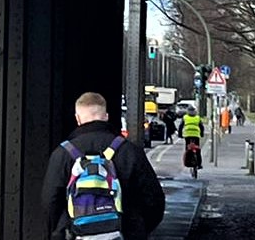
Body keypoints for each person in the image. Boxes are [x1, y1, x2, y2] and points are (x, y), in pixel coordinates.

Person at [42, 92, 165, 240]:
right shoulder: (130, 151)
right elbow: (154, 201)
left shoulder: (63, 154)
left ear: (78, 119)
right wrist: (137, 228)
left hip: (77, 234)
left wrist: (65, 228)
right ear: (106, 116)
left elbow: (50, 201)